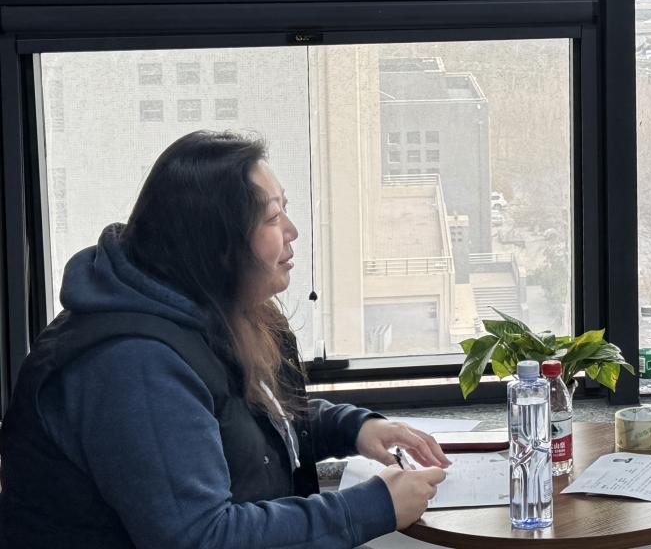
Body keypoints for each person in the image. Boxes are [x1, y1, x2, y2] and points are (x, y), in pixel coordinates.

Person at [0, 130, 452, 548]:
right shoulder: (133, 365)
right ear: (217, 245)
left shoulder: (205, 307)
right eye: (272, 218)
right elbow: (201, 538)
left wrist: (353, 427)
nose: (292, 231)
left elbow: (243, 429)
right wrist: (370, 508)